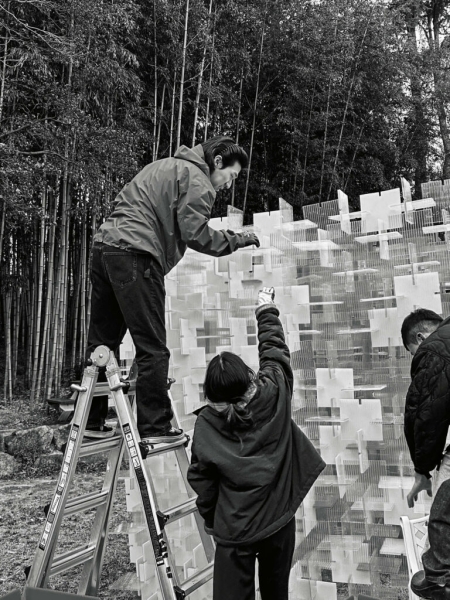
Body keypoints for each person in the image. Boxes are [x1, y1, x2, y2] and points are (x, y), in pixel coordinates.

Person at [84, 136, 260, 445]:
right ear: (217, 162)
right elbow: (197, 234)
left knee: (102, 344)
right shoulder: (197, 179)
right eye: (231, 176)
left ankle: (91, 420)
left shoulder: (164, 166)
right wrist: (238, 239)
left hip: (104, 250)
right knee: (153, 346)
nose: (228, 185)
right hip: (136, 254)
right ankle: (155, 426)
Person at [187, 287, 325, 600]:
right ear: (249, 378)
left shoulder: (207, 424)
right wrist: (266, 309)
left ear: (212, 394)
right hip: (278, 521)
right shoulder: (274, 392)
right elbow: (274, 350)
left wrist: (212, 520)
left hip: (235, 530)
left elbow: (203, 482)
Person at [401, 308, 450, 509]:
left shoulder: (432, 349)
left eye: (413, 353)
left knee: (441, 526)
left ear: (421, 338)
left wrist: (422, 470)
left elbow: (424, 414)